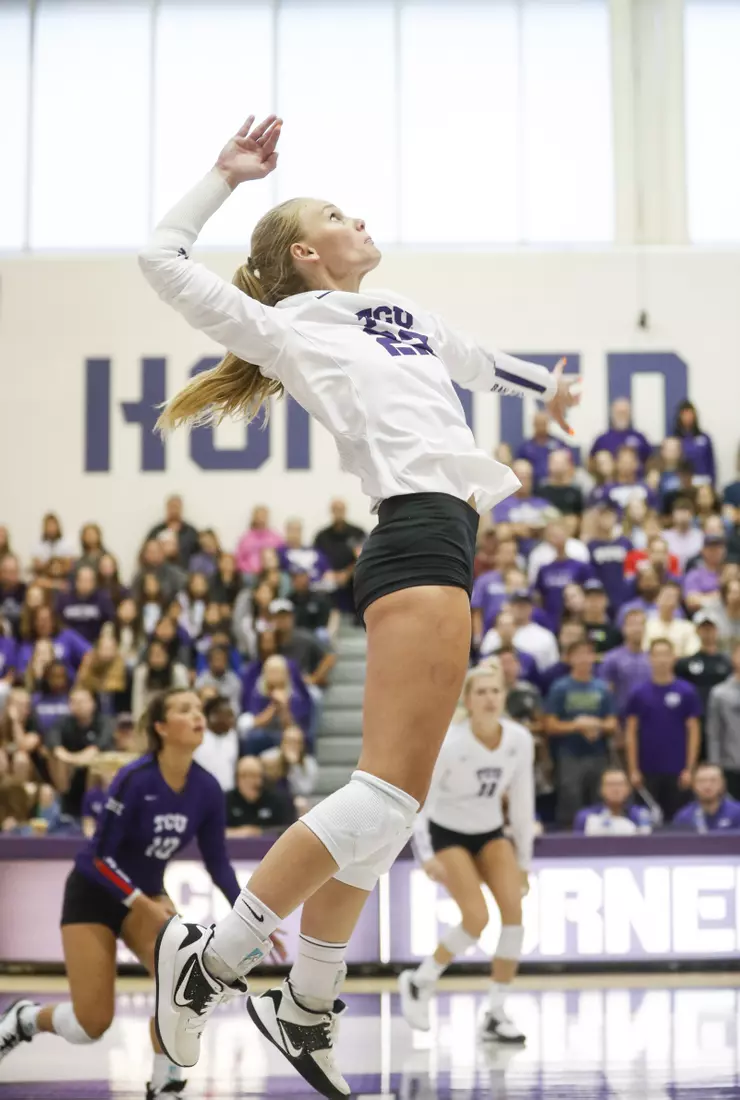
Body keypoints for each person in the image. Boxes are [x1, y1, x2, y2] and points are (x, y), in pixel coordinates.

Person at [138, 111, 578, 1093]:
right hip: (414, 531)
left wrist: (546, 390)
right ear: (306, 252)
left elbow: (476, 361)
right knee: (382, 798)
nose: (359, 220)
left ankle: (306, 1004)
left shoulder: (402, 312)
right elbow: (160, 258)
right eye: (337, 215)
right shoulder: (288, 327)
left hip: (446, 537)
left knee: (385, 812)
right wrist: (225, 176)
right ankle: (211, 963)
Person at [0, 688, 284, 1099]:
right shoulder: (135, 778)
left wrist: (253, 919)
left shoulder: (207, 788)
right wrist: (142, 903)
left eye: (199, 709)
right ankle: (25, 1019)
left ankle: (165, 1084)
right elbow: (98, 858)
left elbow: (218, 862)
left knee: (183, 982)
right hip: (93, 894)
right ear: (161, 727)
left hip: (147, 894)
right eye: (184, 709)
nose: (197, 716)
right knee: (90, 1024)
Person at [399, 663, 534, 1043]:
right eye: (481, 692)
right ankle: (420, 981)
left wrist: (524, 861)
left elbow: (522, 803)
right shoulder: (451, 744)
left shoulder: (519, 740)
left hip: (490, 831)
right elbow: (422, 802)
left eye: (496, 691)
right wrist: (426, 855)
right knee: (476, 918)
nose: (490, 699)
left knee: (515, 917)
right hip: (447, 833)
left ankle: (495, 1012)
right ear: (468, 701)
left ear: (504, 697)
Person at [625, 639, 701, 821]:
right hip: (646, 770)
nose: (661, 660)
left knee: (677, 821)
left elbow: (694, 733)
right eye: (657, 655)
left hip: (678, 770)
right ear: (649, 658)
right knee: (647, 821)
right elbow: (630, 733)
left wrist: (690, 769)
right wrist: (633, 769)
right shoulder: (638, 693)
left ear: (674, 657)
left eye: (666, 654)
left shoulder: (687, 691)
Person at [544, 640, 617, 827]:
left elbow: (612, 723)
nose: (584, 659)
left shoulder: (602, 688)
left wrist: (596, 725)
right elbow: (550, 725)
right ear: (570, 659)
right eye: (579, 654)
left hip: (598, 754)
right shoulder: (560, 688)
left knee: (599, 801)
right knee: (570, 800)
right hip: (569, 755)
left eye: (588, 654)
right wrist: (578, 726)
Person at [46, 688, 113, 817]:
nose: (78, 705)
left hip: (94, 770)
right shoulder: (63, 722)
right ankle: (62, 803)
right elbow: (54, 744)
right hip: (70, 770)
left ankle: (91, 809)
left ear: (93, 703)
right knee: (55, 759)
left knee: (98, 764)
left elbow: (97, 748)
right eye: (73, 702)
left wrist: (74, 759)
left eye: (82, 701)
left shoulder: (104, 722)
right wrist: (71, 759)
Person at [533, 520, 593, 626]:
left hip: (574, 621)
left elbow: (589, 592)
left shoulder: (580, 566)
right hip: (550, 619)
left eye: (559, 535)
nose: (557, 539)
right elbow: (539, 596)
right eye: (553, 536)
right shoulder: (544, 569)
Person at [675, 612, 732, 717]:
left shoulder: (728, 662)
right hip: (697, 714)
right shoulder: (686, 663)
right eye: (704, 629)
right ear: (697, 631)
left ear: (716, 630)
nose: (707, 632)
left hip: (722, 714)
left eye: (710, 628)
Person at [226, 754, 297, 835]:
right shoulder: (226, 800)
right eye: (245, 776)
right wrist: (241, 832)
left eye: (256, 775)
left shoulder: (279, 801)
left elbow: (287, 830)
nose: (251, 781)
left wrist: (259, 832)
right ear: (237, 779)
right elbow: (218, 831)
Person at [599, 609, 651, 714]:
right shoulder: (612, 658)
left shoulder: (652, 658)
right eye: (632, 625)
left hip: (648, 715)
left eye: (641, 624)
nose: (637, 629)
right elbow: (605, 692)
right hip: (621, 714)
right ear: (623, 628)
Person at [261, 724, 320, 815]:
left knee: (302, 803)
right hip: (272, 799)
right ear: (282, 743)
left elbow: (305, 790)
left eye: (296, 742)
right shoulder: (268, 757)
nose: (292, 746)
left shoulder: (310, 763)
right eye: (289, 742)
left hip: (294, 800)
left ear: (302, 745)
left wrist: (294, 767)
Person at [706, 641, 740, 800]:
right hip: (729, 766)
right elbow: (713, 732)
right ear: (733, 658)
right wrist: (715, 765)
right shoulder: (719, 693)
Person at [573, 768, 652, 835]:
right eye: (610, 784)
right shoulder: (585, 817)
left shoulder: (640, 815)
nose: (615, 789)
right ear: (601, 790)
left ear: (628, 789)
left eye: (620, 784)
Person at [587, 502, 632, 612]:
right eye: (603, 516)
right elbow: (592, 574)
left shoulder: (625, 543)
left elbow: (631, 569)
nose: (607, 520)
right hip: (603, 596)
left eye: (610, 516)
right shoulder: (592, 545)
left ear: (615, 518)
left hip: (624, 594)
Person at [131, 641, 190, 722]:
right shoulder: (141, 672)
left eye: (159, 654)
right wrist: (139, 721)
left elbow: (184, 696)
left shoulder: (178, 671)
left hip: (173, 712)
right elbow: (138, 699)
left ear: (167, 655)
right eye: (153, 654)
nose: (156, 658)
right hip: (148, 713)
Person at [516, 409, 578, 485]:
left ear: (548, 424)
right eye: (538, 423)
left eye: (543, 423)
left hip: (556, 484)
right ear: (534, 424)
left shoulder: (559, 444)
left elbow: (571, 464)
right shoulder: (525, 448)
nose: (541, 426)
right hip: (533, 486)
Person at [672, 763, 740, 832]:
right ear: (693, 785)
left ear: (722, 784)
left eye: (713, 780)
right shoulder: (684, 817)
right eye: (702, 781)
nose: (707, 785)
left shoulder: (737, 812)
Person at [504, 589, 559, 673]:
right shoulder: (496, 633)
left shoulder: (545, 636)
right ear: (510, 607)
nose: (521, 609)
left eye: (524, 605)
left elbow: (553, 666)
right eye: (517, 605)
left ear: (532, 608)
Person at [194, 696, 240, 792]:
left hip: (228, 794)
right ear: (213, 716)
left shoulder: (233, 736)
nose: (232, 720)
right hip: (202, 792)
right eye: (228, 715)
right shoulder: (197, 738)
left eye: (232, 716)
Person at [589, 398, 652, 468]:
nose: (622, 415)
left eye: (625, 412)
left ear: (630, 414)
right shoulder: (602, 440)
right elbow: (591, 462)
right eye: (619, 412)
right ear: (612, 414)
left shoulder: (640, 438)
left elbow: (650, 461)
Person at [642, 583, 700, 658]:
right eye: (666, 596)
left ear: (677, 603)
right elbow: (643, 650)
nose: (668, 600)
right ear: (657, 599)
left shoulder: (688, 627)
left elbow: (692, 652)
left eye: (673, 597)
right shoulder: (646, 625)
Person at [147, 494, 200, 569]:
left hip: (186, 573)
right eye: (171, 507)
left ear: (181, 509)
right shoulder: (156, 531)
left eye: (176, 507)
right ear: (167, 508)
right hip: (159, 572)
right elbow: (145, 554)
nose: (174, 510)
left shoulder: (191, 532)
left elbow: (199, 556)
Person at [673, 400, 715, 486]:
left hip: (703, 481)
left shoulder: (704, 438)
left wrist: (712, 483)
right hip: (682, 482)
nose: (688, 417)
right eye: (684, 414)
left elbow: (711, 463)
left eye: (690, 413)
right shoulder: (675, 439)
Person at [235, 505, 285, 577]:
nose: (261, 519)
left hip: (271, 573)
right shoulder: (246, 538)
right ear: (254, 518)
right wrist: (248, 569)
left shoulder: (275, 537)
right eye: (259, 516)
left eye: (264, 516)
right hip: (250, 574)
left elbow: (282, 557)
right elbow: (239, 560)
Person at [194, 643, 242, 715]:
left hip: (227, 717)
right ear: (209, 662)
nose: (219, 663)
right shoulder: (201, 680)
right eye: (216, 659)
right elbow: (198, 705)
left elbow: (236, 708)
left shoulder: (234, 681)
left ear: (226, 662)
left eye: (222, 660)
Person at [684, 535, 727, 614]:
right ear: (703, 551)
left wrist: (704, 597)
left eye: (718, 549)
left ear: (724, 551)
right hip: (704, 617)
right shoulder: (694, 575)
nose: (714, 552)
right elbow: (692, 602)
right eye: (711, 549)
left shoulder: (731, 572)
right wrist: (722, 596)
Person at [538, 448, 583, 517]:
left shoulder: (575, 491)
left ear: (568, 465)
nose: (558, 466)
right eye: (555, 463)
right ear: (549, 465)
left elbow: (579, 516)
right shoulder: (541, 490)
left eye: (561, 463)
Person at [663, 498, 704, 572]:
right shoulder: (664, 536)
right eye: (679, 512)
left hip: (695, 572)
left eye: (685, 512)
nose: (682, 516)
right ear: (673, 515)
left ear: (692, 515)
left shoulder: (700, 536)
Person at [582, 579, 622, 655]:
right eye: (589, 597)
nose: (593, 601)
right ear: (582, 601)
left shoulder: (615, 634)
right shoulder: (575, 630)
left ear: (606, 601)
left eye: (598, 597)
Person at [714, 578, 740, 655]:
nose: (737, 597)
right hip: (719, 659)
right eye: (734, 593)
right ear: (725, 595)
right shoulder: (714, 619)